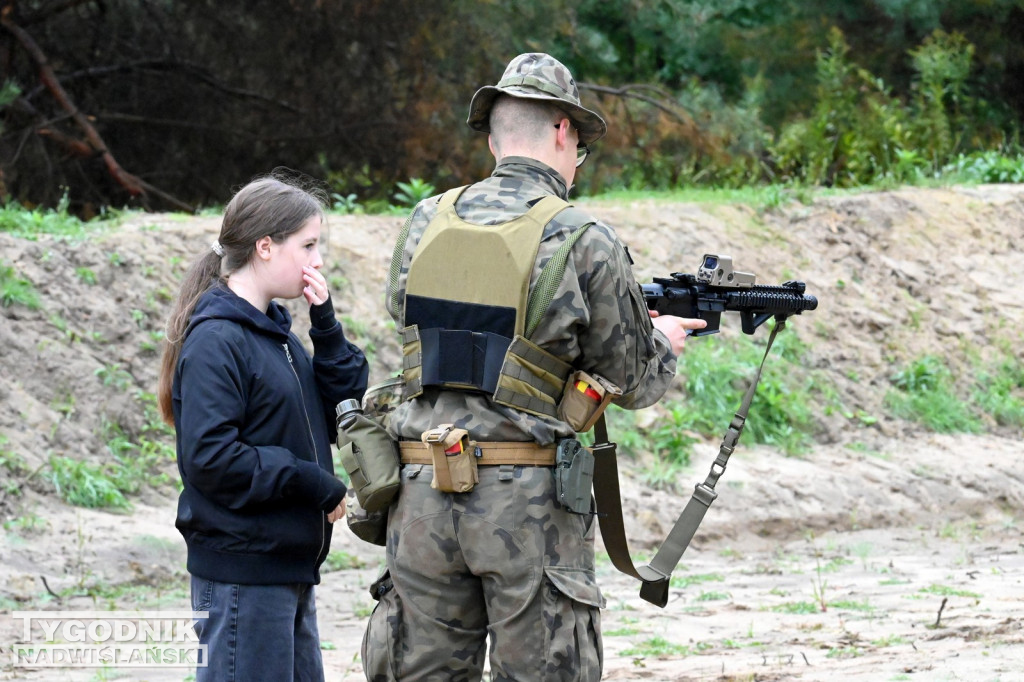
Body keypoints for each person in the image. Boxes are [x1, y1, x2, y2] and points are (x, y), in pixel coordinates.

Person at [362, 53, 705, 681]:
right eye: (580, 146)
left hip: (416, 493)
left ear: (493, 137)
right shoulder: (583, 235)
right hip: (527, 507)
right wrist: (665, 343)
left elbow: (403, 314)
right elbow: (629, 378)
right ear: (562, 132)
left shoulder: (425, 219)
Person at [156, 172, 369, 682]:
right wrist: (310, 481)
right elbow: (212, 459)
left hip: (286, 569)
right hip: (242, 577)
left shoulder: (278, 335)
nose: (318, 260)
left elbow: (342, 408)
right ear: (266, 247)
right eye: (309, 245)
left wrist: (327, 328)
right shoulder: (217, 341)